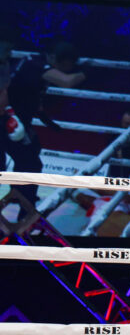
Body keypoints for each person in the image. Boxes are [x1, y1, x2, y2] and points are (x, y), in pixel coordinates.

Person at [4, 40, 80, 209]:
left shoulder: (32, 63)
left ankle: (19, 194)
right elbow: (67, 81)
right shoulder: (36, 66)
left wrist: (46, 120)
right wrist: (88, 72)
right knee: (31, 163)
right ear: (55, 58)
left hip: (15, 118)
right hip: (9, 120)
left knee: (30, 153)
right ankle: (26, 205)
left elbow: (31, 97)